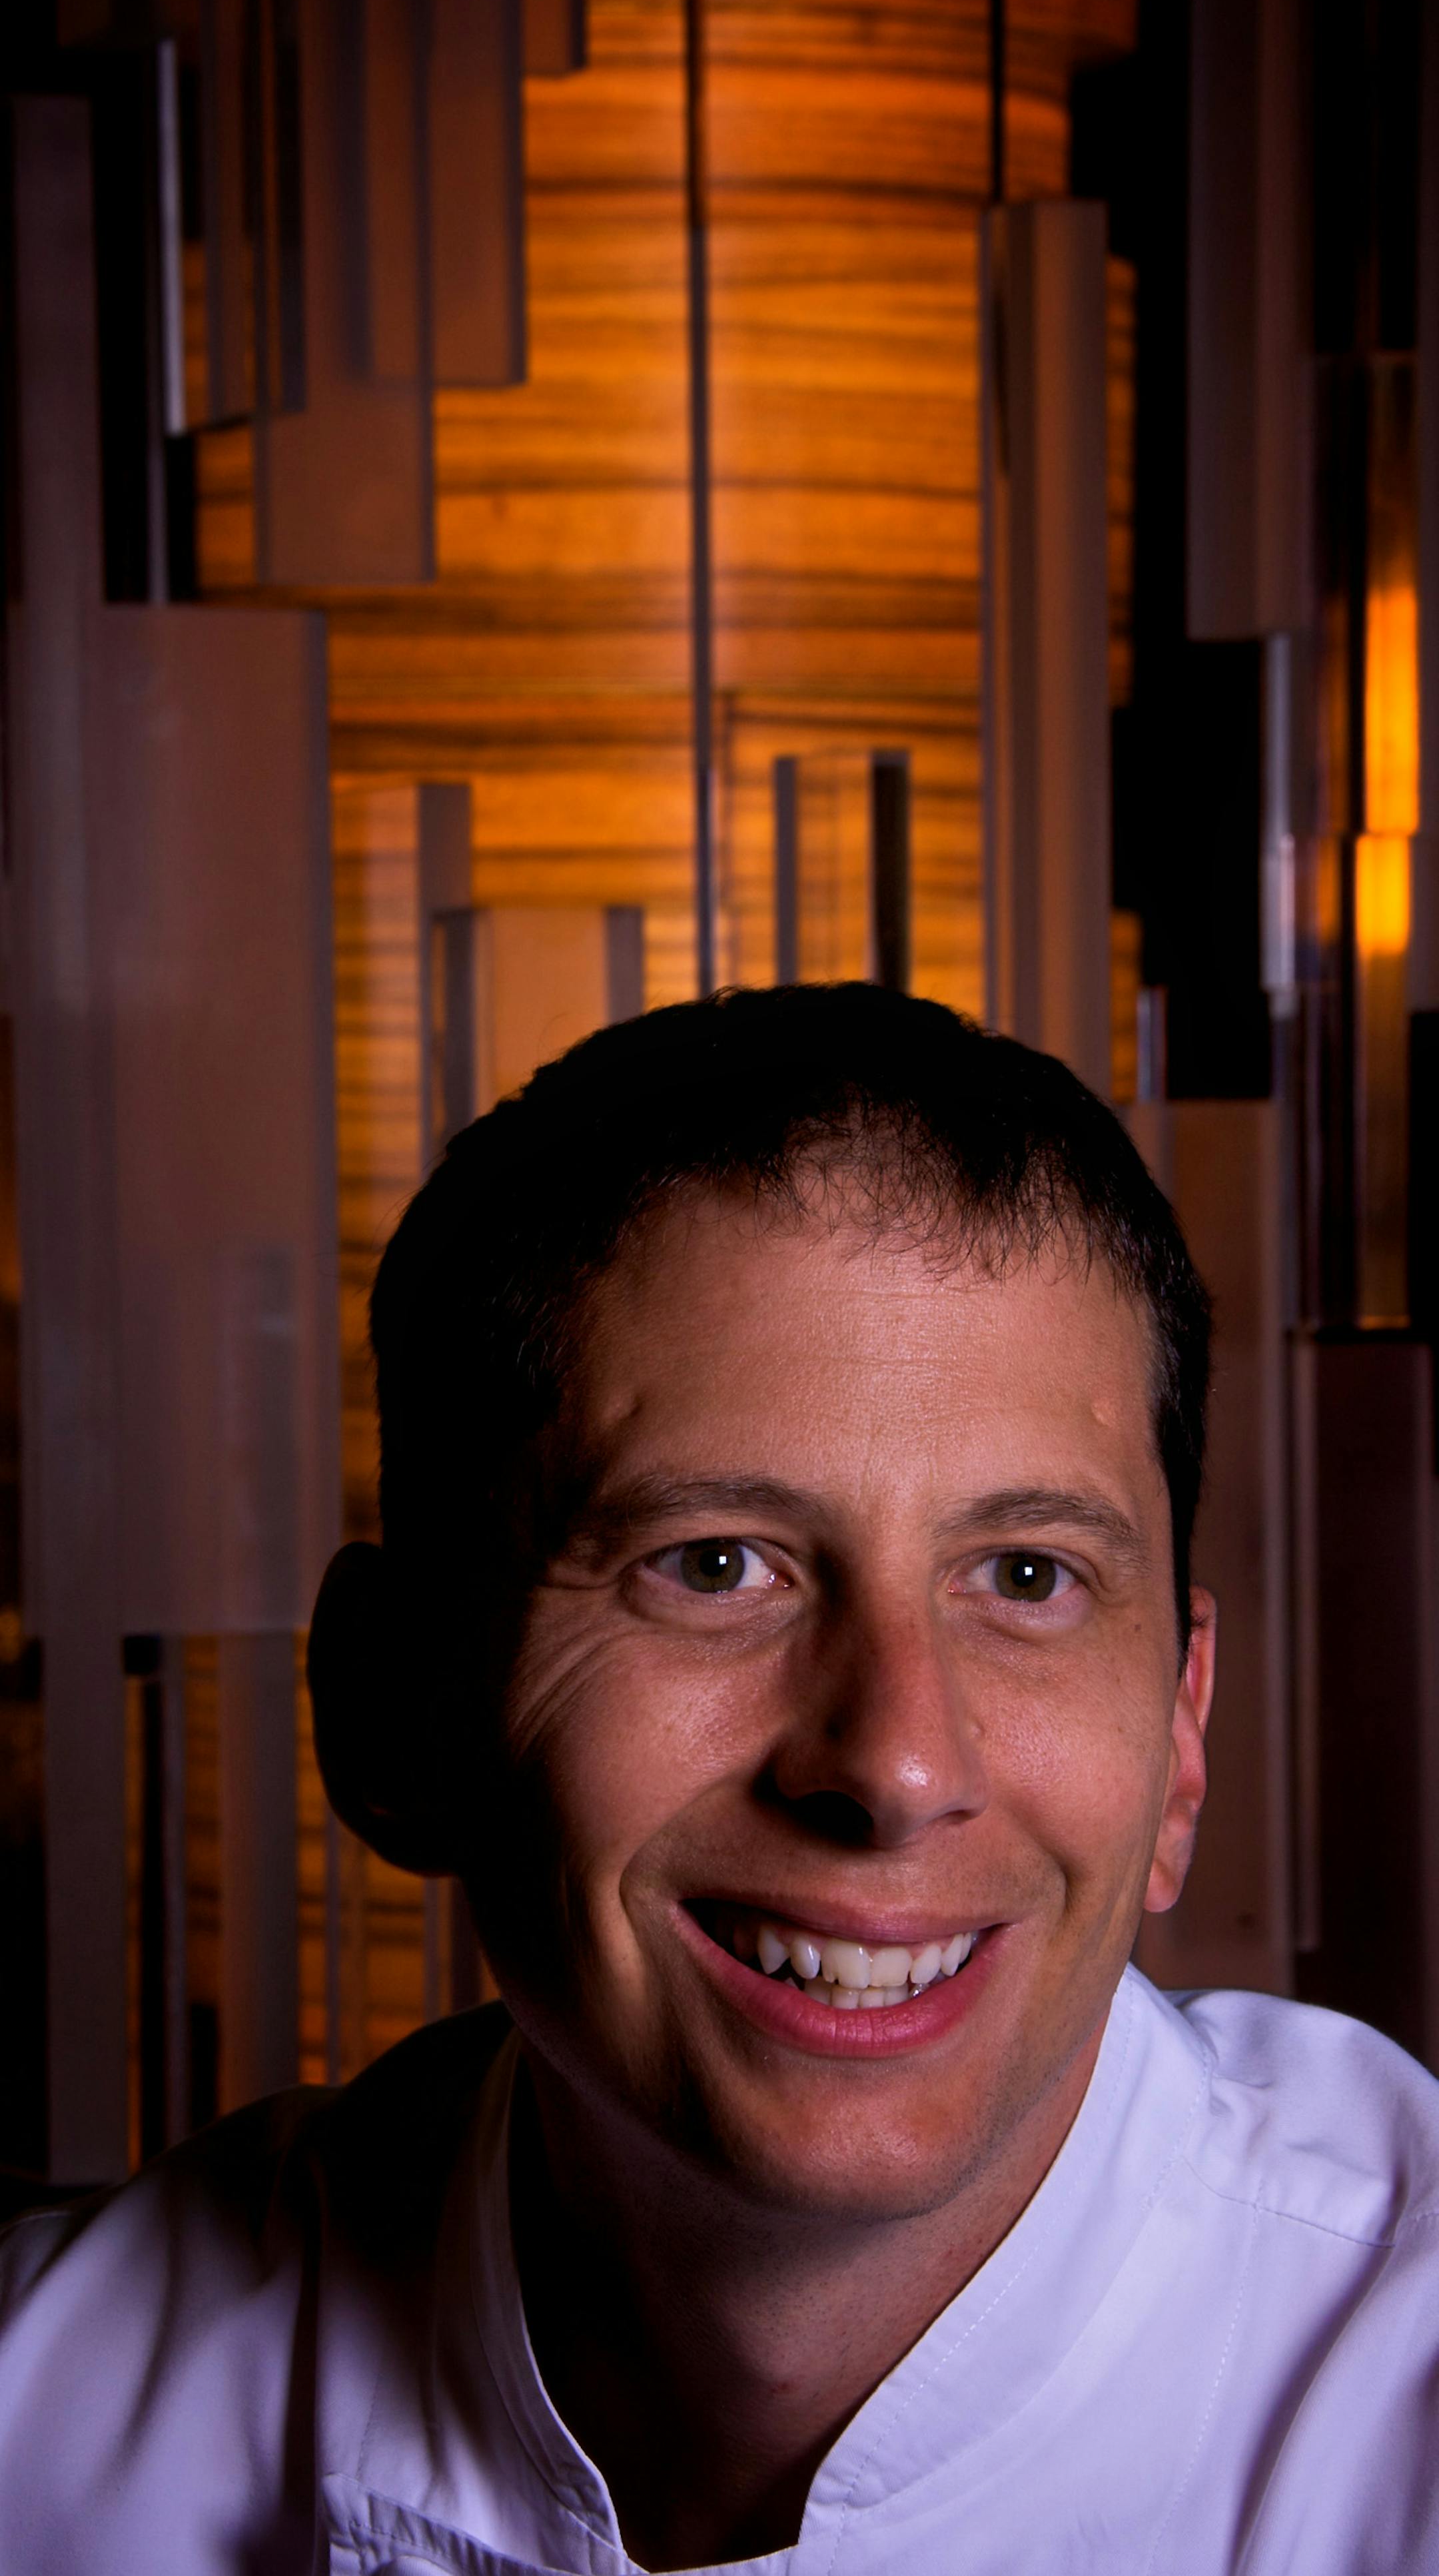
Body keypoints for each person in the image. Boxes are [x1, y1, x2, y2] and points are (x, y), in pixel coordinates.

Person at [1, 983, 1437, 2575]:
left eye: (1026, 1576)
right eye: (715, 1563)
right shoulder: (45, 2421)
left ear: (1180, 1735)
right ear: (397, 1709)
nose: (895, 1761)